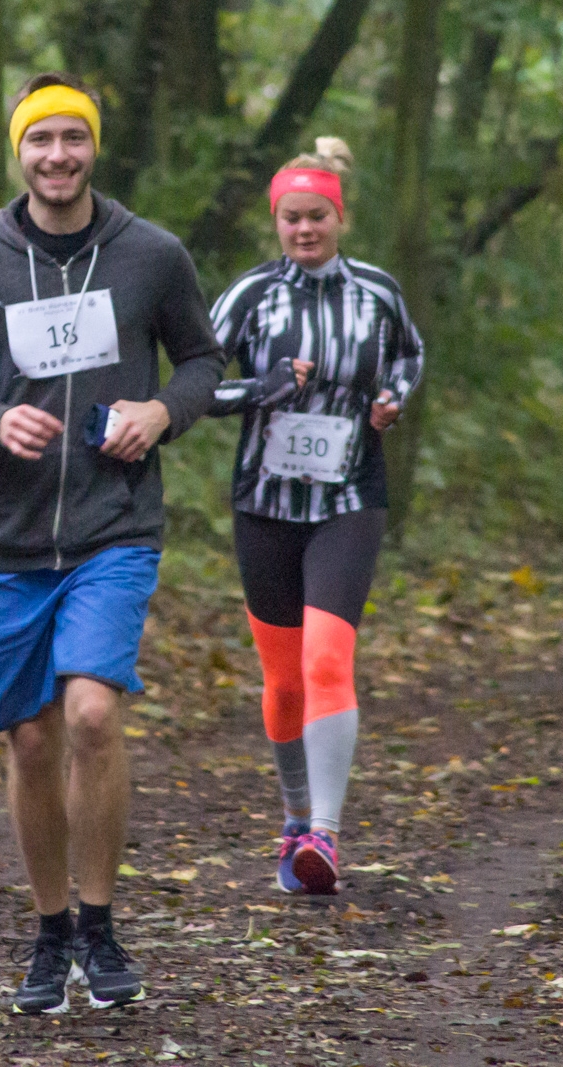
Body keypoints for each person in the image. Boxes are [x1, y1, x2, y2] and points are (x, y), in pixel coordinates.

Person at [0, 73, 224, 1015]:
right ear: (18, 151)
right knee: (28, 737)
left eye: (74, 138)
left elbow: (204, 362)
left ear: (95, 146)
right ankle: (51, 930)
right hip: (9, 538)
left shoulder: (151, 255)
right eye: (41, 140)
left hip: (112, 529)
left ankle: (100, 923)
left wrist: (161, 411)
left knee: (92, 714)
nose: (58, 155)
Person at [207, 138, 423, 896]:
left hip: (349, 497)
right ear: (276, 222)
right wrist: (261, 387)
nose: (304, 229)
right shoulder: (249, 296)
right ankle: (295, 815)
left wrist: (393, 399)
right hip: (265, 503)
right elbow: (197, 385)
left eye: (317, 216)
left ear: (341, 218)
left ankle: (325, 835)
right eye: (291, 218)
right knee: (283, 678)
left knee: (328, 660)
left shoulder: (378, 293)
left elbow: (410, 355)